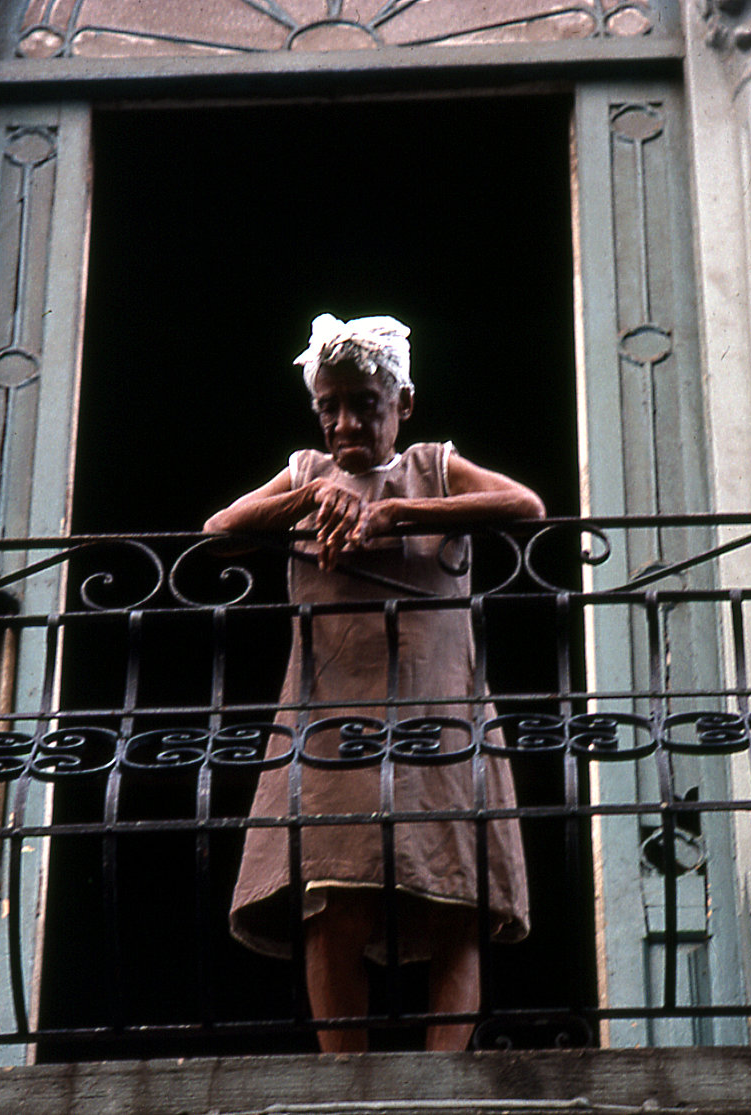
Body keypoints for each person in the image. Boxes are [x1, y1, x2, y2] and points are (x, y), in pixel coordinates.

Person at [205, 313, 543, 1052]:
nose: (345, 420)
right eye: (329, 406)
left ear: (404, 403)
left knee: (454, 889)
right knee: (331, 891)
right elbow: (218, 527)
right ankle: (345, 1080)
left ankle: (442, 1077)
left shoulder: (432, 465)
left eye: (364, 402)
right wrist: (303, 501)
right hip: (329, 715)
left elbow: (524, 505)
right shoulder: (304, 473)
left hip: (436, 707)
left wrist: (397, 511)